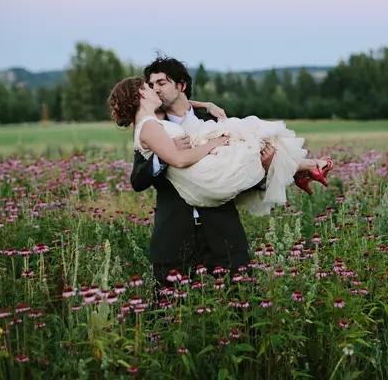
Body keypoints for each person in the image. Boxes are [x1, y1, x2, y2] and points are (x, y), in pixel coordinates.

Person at [109, 56, 332, 291]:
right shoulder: (154, 125)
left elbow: (236, 174)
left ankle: (303, 167)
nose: (155, 89)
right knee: (167, 311)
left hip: (222, 231)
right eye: (151, 85)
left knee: (242, 304)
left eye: (161, 83)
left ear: (181, 86)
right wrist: (162, 158)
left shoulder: (214, 119)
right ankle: (306, 167)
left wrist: (266, 169)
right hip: (174, 233)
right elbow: (137, 180)